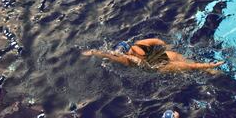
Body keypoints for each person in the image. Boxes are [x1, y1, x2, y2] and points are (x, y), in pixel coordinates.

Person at [82, 38, 224, 73]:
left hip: (163, 65)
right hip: (168, 54)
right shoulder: (139, 43)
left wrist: (93, 52)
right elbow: (157, 40)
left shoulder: (127, 59)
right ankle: (210, 68)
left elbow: (108, 56)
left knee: (193, 67)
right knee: (191, 62)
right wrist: (167, 47)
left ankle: (213, 67)